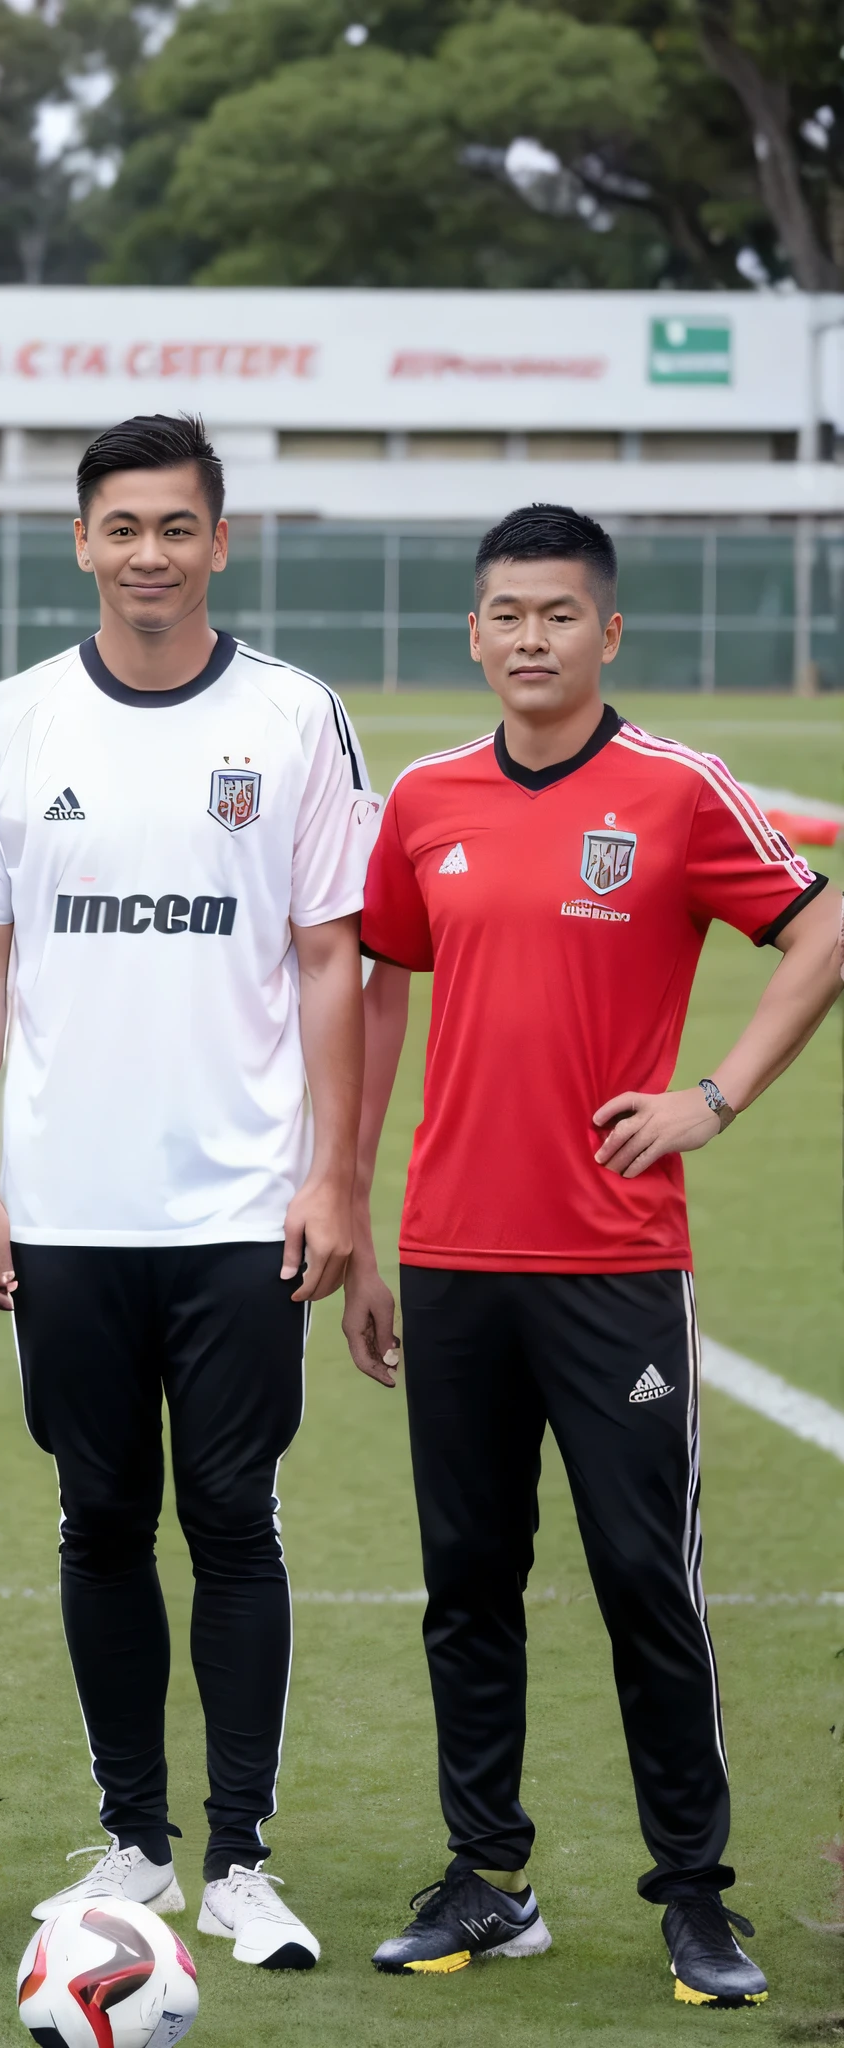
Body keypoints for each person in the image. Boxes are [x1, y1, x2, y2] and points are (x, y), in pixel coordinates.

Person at [342, 502, 844, 2009]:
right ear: (476, 632)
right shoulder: (426, 800)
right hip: (450, 1255)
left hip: (615, 1262)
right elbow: (376, 994)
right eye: (506, 615)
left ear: (607, 632)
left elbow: (819, 934)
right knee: (466, 1578)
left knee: (644, 1575)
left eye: (559, 615)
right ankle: (487, 1879)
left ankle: (695, 1895)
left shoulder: (678, 791)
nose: (530, 640)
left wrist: (714, 1096)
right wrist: (353, 1215)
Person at [0, 413, 379, 1973]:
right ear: (82, 544)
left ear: (220, 543)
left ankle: (241, 1858)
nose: (151, 557)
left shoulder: (300, 718)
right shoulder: (13, 722)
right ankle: (134, 1839)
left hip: (243, 1210)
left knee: (234, 1518)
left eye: (178, 528)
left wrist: (332, 1173)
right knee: (99, 1519)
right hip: (61, 1213)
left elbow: (333, 956)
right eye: (123, 529)